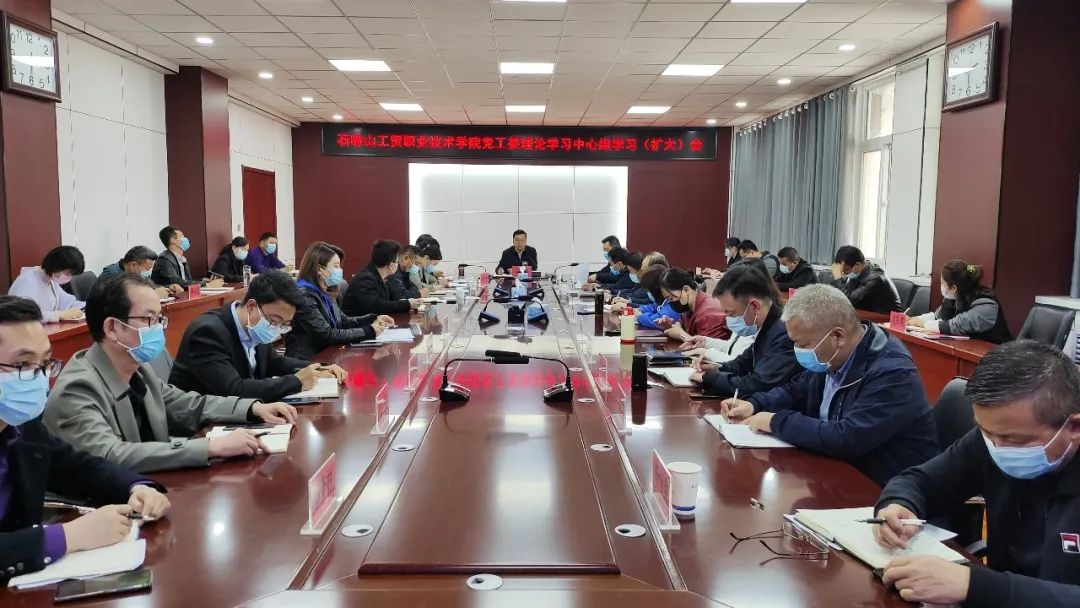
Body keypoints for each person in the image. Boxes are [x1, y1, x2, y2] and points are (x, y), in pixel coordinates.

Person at [875, 341, 1080, 606]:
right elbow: (921, 481)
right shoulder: (991, 441)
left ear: (1074, 427)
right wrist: (899, 504)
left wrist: (974, 585)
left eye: (1014, 440)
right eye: (986, 432)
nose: (997, 448)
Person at [42, 274, 298, 473]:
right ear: (112, 327)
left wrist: (252, 408)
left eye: (159, 319)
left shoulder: (139, 370)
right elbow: (112, 454)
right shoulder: (79, 387)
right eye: (149, 319)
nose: (158, 329)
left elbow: (188, 404)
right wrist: (208, 447)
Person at [0, 295, 171, 581]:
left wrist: (136, 487)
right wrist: (67, 537)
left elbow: (79, 467)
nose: (40, 379)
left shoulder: (23, 426)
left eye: (44, 363)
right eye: (23, 364)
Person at [720, 284, 938, 486]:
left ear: (838, 336)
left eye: (802, 344)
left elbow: (847, 438)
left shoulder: (892, 372)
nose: (798, 351)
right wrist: (754, 404)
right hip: (837, 475)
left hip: (885, 490)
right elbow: (795, 390)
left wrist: (775, 421)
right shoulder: (832, 357)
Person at [169, 271, 347, 403]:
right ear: (252, 306)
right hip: (201, 428)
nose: (276, 329)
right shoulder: (208, 332)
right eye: (275, 321)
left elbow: (274, 362)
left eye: (284, 324)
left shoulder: (254, 325)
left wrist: (318, 368)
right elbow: (232, 389)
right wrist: (296, 382)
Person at [687, 263, 800, 398]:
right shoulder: (767, 326)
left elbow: (758, 385)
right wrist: (716, 368)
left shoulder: (785, 333)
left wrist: (711, 379)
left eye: (732, 314)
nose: (728, 320)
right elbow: (742, 363)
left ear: (754, 306)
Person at [284, 241, 393, 360]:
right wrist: (369, 331)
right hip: (306, 361)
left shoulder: (325, 291)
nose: (340, 270)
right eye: (336, 266)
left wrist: (373, 318)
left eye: (340, 266)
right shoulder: (305, 296)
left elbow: (343, 321)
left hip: (327, 355)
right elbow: (327, 334)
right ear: (319, 269)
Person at [908, 260, 1013, 344]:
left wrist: (923, 324)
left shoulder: (986, 305)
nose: (941, 286)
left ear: (954, 288)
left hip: (996, 355)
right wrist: (915, 319)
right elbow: (939, 316)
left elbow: (956, 326)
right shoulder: (955, 296)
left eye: (942, 283)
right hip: (969, 349)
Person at [8, 246, 86, 323]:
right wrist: (58, 315)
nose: (69, 277)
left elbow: (69, 303)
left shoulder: (51, 280)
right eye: (67, 273)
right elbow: (23, 314)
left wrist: (90, 306)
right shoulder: (27, 281)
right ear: (56, 266)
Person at [342, 240, 421, 316]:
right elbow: (377, 306)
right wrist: (407, 304)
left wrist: (406, 302)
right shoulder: (366, 279)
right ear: (390, 265)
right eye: (397, 261)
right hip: (358, 323)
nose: (398, 264)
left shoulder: (376, 275)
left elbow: (386, 301)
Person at [657, 267, 730, 342]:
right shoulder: (690, 306)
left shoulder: (709, 315)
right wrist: (672, 326)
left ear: (686, 290)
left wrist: (681, 334)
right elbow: (682, 324)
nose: (671, 302)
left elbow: (709, 347)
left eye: (671, 298)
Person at [831, 245, 901, 314]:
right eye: (841, 270)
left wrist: (838, 277)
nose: (844, 273)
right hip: (867, 312)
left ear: (857, 264)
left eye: (846, 269)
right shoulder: (856, 273)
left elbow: (848, 302)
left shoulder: (875, 278)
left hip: (887, 317)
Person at [151, 226, 224, 290]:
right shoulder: (164, 259)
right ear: (173, 240)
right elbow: (178, 283)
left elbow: (187, 281)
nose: (186, 239)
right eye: (182, 236)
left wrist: (203, 280)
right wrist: (206, 285)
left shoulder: (182, 258)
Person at [100, 246, 174, 298]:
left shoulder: (136, 273)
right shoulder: (111, 275)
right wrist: (152, 294)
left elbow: (151, 286)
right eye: (147, 268)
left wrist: (169, 288)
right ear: (133, 265)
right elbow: (122, 300)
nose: (148, 272)